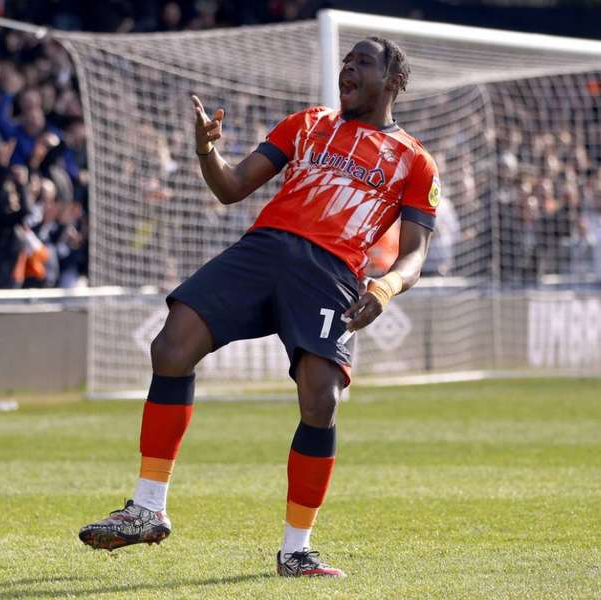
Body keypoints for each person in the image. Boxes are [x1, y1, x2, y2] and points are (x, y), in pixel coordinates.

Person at [78, 37, 439, 578]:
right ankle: (147, 507)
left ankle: (297, 550)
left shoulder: (413, 161)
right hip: (264, 249)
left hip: (330, 272)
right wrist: (206, 150)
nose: (347, 67)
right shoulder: (308, 123)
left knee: (320, 403)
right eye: (347, 60)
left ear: (391, 81)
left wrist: (385, 289)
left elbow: (414, 256)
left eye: (362, 62)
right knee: (171, 346)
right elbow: (231, 187)